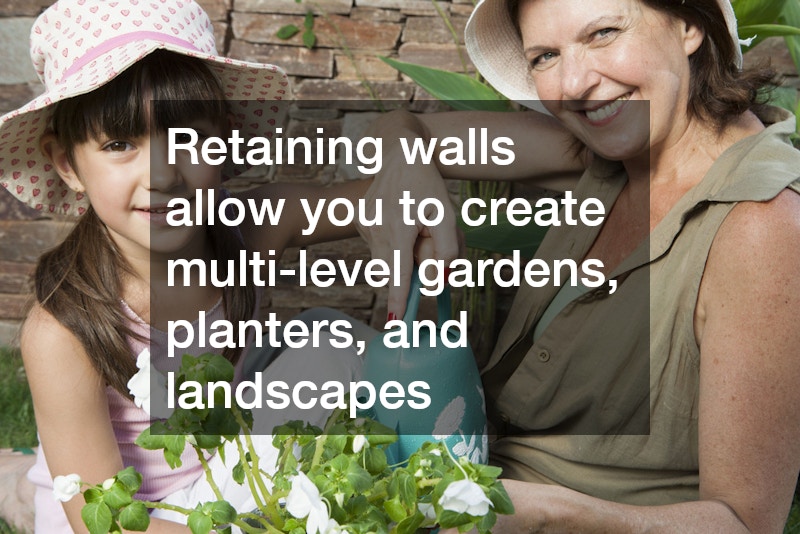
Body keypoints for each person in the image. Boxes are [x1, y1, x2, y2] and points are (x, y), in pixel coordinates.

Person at [358, 0, 800, 531]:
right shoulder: (614, 155)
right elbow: (398, 128)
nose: (574, 83)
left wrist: (538, 514)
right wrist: (407, 167)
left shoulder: (762, 225)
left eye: (603, 33)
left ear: (688, 25)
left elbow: (745, 524)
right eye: (545, 56)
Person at [0, 0, 372, 531]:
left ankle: (20, 475)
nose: (161, 174)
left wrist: (419, 182)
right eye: (120, 143)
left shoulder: (252, 227)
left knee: (329, 336)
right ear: (67, 164)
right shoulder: (61, 331)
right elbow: (101, 520)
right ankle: (28, 483)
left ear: (221, 136)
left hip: (224, 479)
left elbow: (383, 202)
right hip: (125, 516)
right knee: (59, 490)